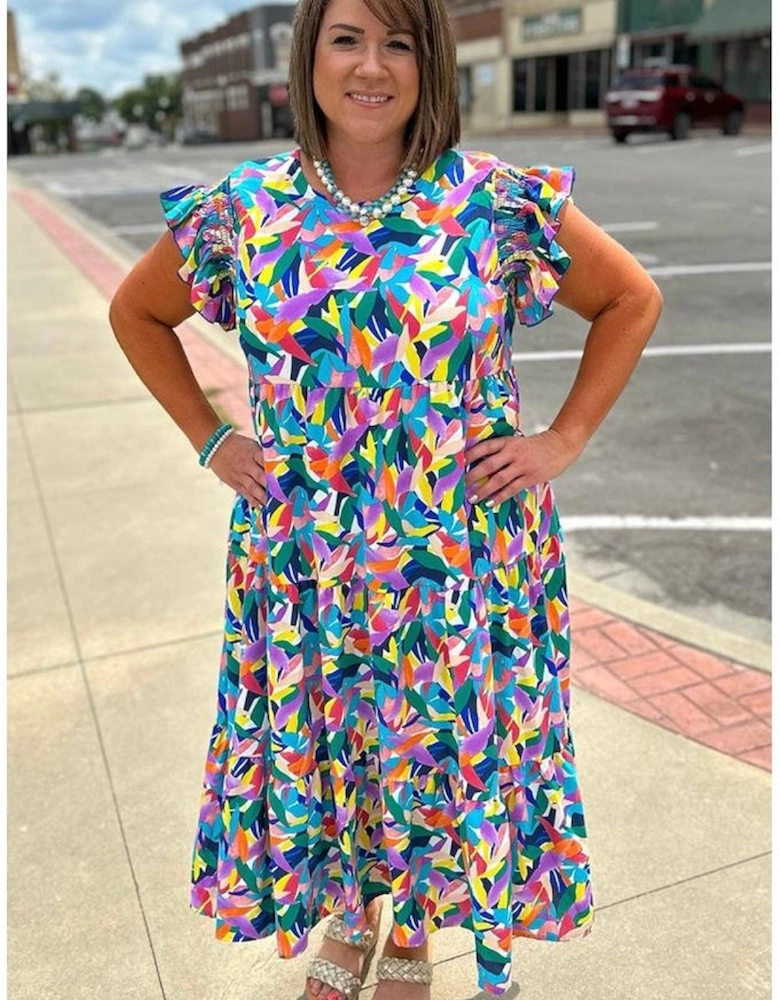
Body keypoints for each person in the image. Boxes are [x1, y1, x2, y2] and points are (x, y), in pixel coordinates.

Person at [109, 0, 663, 995]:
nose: (374, 67)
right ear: (308, 54)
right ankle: (350, 908)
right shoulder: (246, 205)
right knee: (341, 738)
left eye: (400, 42)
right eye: (349, 39)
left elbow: (630, 298)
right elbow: (138, 311)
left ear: (431, 62)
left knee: (443, 748)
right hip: (308, 551)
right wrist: (212, 439)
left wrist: (564, 439)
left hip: (463, 555)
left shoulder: (493, 201)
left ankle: (411, 926)